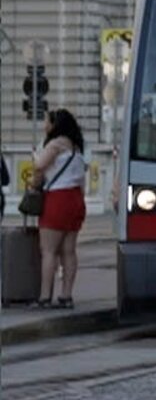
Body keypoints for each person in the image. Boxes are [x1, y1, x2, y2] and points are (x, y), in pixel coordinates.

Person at [28, 108, 88, 309]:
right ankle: (66, 296)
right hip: (76, 200)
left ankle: (45, 297)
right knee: (69, 251)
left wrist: (35, 155)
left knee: (49, 251)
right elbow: (81, 181)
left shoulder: (56, 144)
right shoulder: (76, 149)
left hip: (58, 200)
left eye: (46, 121)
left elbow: (40, 166)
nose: (45, 125)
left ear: (55, 125)